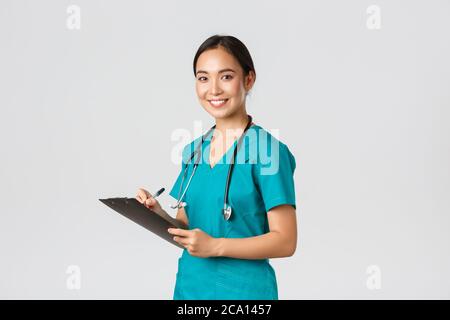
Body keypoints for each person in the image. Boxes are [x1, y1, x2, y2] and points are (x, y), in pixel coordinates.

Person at [136, 34, 297, 300]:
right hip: (190, 288)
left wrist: (216, 246)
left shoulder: (269, 152)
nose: (213, 89)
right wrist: (157, 213)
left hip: (244, 293)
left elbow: (285, 240)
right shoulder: (194, 151)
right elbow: (188, 229)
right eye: (203, 78)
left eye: (226, 76)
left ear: (248, 79)